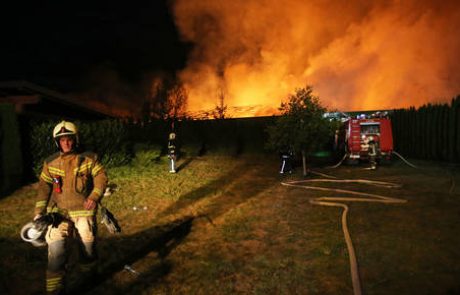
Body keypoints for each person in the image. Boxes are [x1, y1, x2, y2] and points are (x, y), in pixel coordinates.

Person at [33, 120, 107, 294]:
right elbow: (44, 188)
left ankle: (90, 282)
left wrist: (94, 196)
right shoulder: (50, 163)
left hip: (84, 213)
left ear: (75, 139)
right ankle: (55, 291)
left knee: (87, 251)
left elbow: (101, 177)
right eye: (62, 139)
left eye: (69, 139)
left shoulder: (89, 159)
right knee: (56, 254)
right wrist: (38, 213)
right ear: (57, 142)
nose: (66, 143)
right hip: (58, 215)